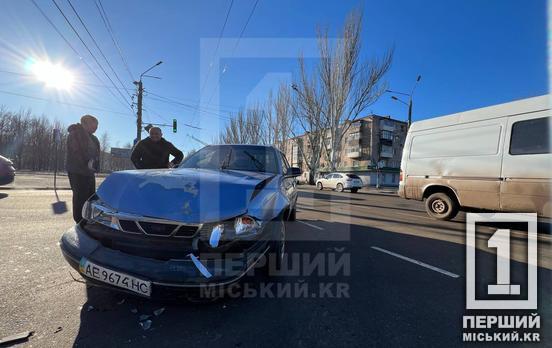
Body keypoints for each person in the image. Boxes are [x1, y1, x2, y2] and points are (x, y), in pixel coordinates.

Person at [66, 115, 100, 223]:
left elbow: (96, 154)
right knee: (80, 197)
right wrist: (86, 163)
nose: (96, 127)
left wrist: (95, 165)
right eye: (94, 125)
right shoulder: (75, 134)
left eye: (97, 125)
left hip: (89, 172)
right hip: (78, 171)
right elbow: (75, 151)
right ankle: (79, 221)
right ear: (85, 123)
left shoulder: (93, 138)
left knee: (91, 197)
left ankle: (88, 219)